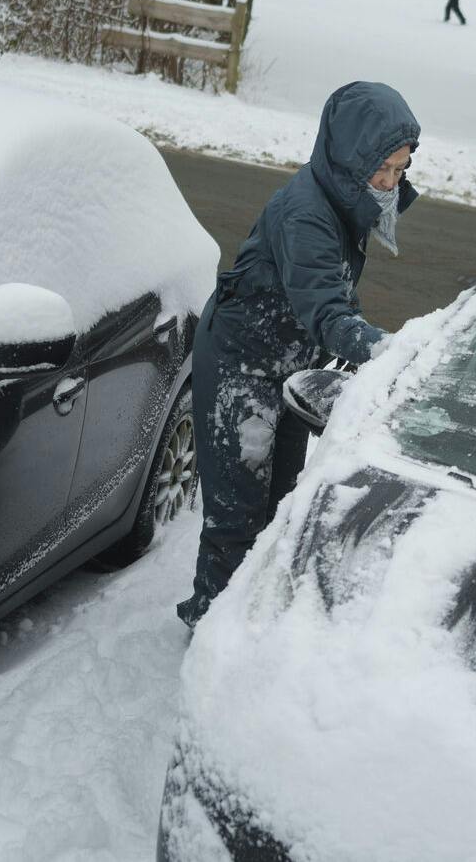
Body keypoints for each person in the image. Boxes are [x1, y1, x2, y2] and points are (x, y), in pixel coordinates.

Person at [176, 82, 420, 628]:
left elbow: (335, 292)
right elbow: (329, 313)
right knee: (236, 520)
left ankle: (247, 627)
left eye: (400, 171)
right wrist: (390, 353)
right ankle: (210, 629)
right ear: (352, 157)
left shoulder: (343, 198)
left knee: (277, 511)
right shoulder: (306, 214)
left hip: (284, 366)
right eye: (382, 168)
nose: (390, 183)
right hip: (241, 366)